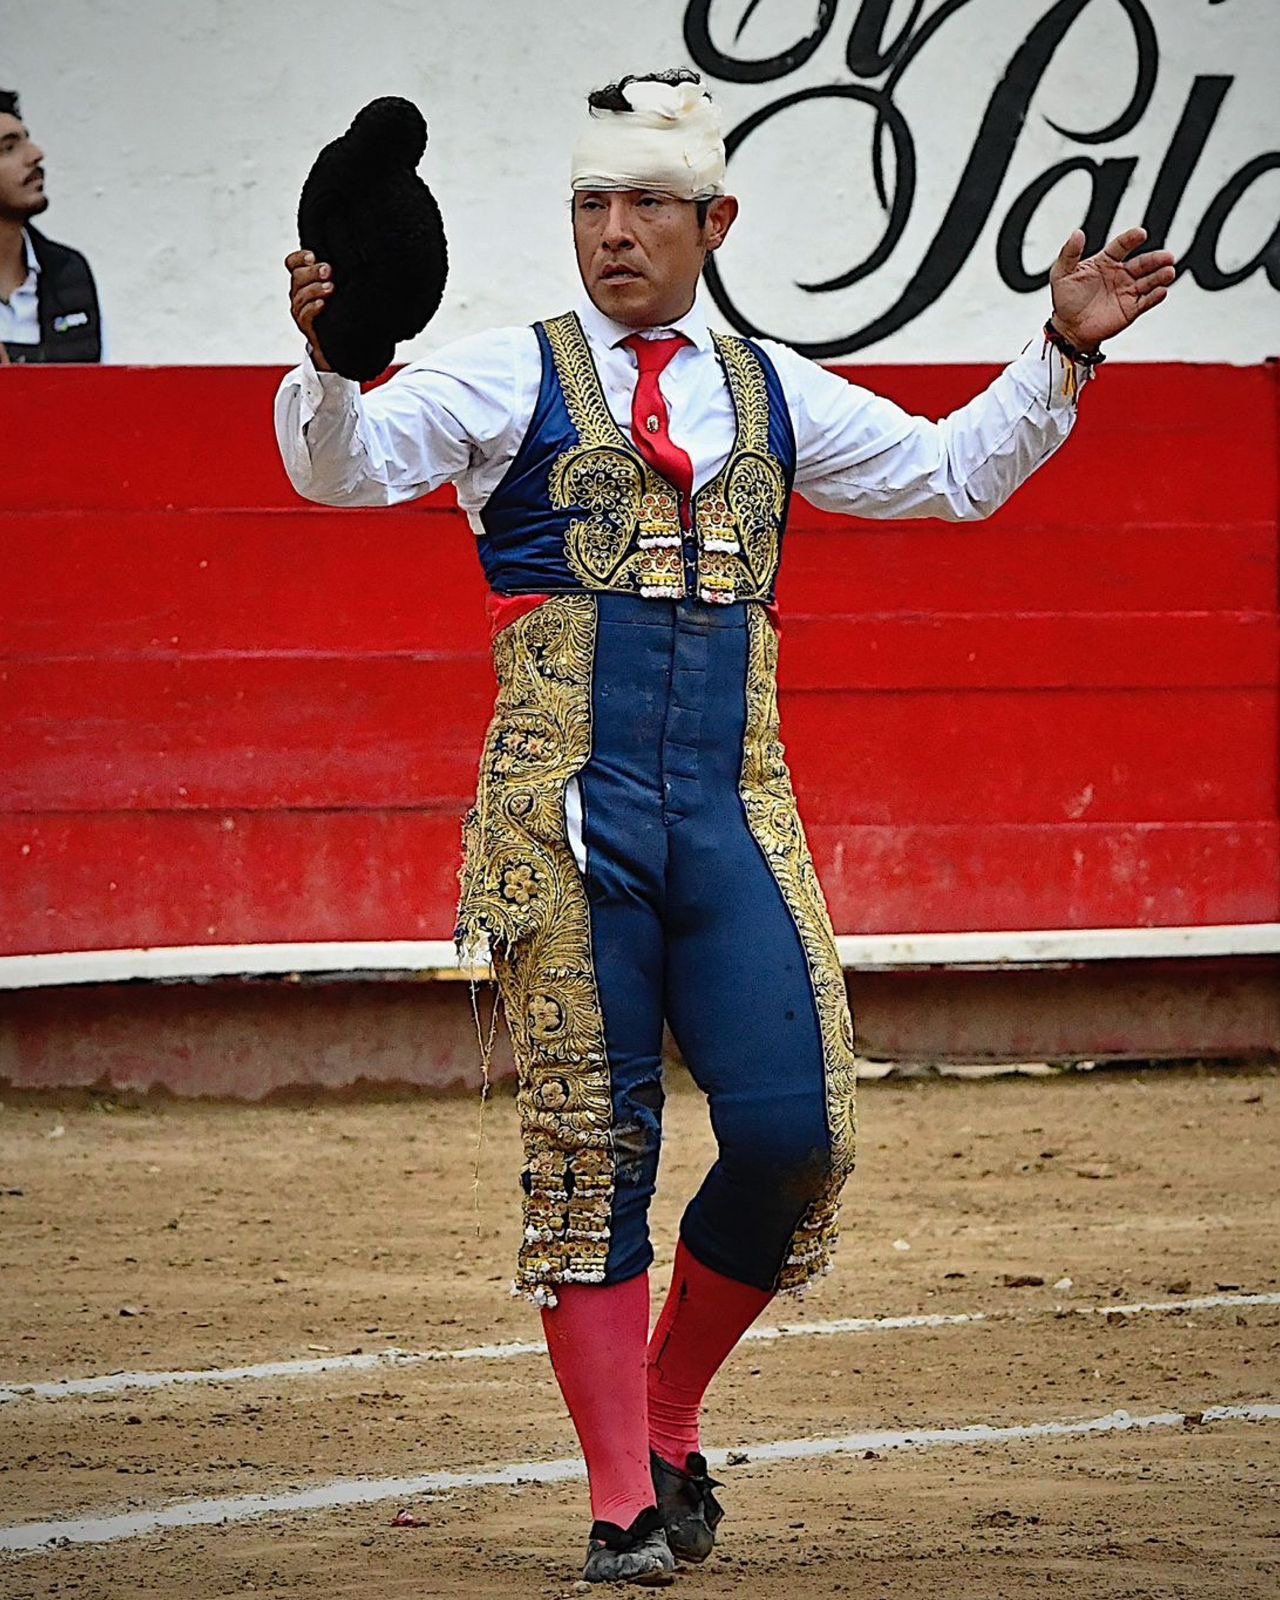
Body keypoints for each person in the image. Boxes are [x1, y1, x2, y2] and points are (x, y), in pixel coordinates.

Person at [274, 68, 1175, 1585]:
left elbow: (949, 475)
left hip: (733, 814)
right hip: (567, 821)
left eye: (645, 205)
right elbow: (340, 465)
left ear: (716, 222)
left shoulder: (769, 388)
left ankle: (668, 1406)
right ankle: (620, 1501)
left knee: (795, 1135)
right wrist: (331, 363)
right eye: (590, 204)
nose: (613, 232)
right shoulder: (504, 373)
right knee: (591, 1146)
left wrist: (1060, 353)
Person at [0, 88, 102, 365]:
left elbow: (93, 385)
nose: (35, 154)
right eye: (8, 148)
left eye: (27, 140)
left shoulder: (68, 272)